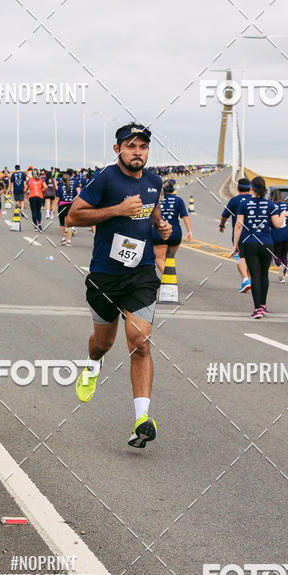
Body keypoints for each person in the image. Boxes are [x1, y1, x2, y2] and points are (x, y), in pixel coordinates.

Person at [67, 122, 172, 448]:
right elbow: (73, 216)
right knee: (103, 342)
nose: (137, 152)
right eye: (131, 146)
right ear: (118, 149)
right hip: (105, 275)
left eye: (142, 147)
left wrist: (162, 228)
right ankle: (93, 364)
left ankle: (142, 418)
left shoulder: (155, 182)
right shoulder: (105, 179)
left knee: (140, 341)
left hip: (140, 273)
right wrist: (117, 210)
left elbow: (154, 215)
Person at [230, 176, 288, 318]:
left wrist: (235, 245)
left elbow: (239, 225)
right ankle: (263, 306)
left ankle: (257, 308)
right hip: (267, 243)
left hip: (250, 243)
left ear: (251, 188)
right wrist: (283, 214)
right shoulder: (269, 205)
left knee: (255, 276)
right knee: (264, 275)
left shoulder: (244, 204)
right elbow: (277, 224)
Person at [219, 178, 252, 293]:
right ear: (250, 188)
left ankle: (246, 279)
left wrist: (222, 225)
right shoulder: (254, 199)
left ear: (237, 188)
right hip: (254, 236)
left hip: (239, 235)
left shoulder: (234, 200)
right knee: (249, 259)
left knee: (239, 258)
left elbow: (224, 216)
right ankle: (247, 281)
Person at [152, 180, 192, 274]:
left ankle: (171, 281)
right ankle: (169, 282)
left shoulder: (156, 199)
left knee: (159, 260)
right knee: (169, 260)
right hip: (175, 233)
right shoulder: (178, 200)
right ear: (172, 190)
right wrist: (189, 231)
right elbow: (185, 216)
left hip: (159, 231)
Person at [271, 188, 288, 284]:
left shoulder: (271, 206)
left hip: (276, 232)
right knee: (285, 254)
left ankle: (279, 265)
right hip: (287, 233)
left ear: (272, 198)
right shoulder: (287, 206)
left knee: (276, 253)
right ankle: (283, 277)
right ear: (281, 197)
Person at [56, 172, 77, 245]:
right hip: (70, 206)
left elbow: (57, 198)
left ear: (62, 180)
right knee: (69, 224)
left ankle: (63, 239)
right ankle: (69, 241)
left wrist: (53, 207)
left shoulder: (60, 187)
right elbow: (76, 197)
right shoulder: (73, 187)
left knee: (62, 223)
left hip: (62, 205)